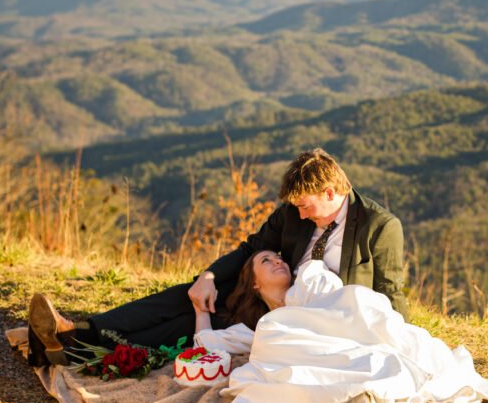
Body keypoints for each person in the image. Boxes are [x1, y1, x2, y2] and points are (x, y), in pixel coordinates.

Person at [28, 148, 407, 366]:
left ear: (329, 192)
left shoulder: (379, 226)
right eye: (297, 208)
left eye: (307, 207)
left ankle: (83, 351)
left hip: (316, 321)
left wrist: (399, 341)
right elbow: (249, 248)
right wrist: (207, 276)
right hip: (272, 289)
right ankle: (80, 335)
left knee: (195, 327)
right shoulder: (293, 212)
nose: (302, 216)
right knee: (192, 296)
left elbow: (390, 291)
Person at [193, 250, 488, 403]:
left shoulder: (308, 281)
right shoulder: (264, 327)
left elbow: (344, 300)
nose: (278, 260)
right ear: (253, 282)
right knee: (270, 331)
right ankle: (362, 383)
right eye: (266, 260)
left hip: (347, 327)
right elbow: (207, 343)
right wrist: (199, 308)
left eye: (279, 257)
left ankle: (387, 368)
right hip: (297, 341)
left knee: (358, 299)